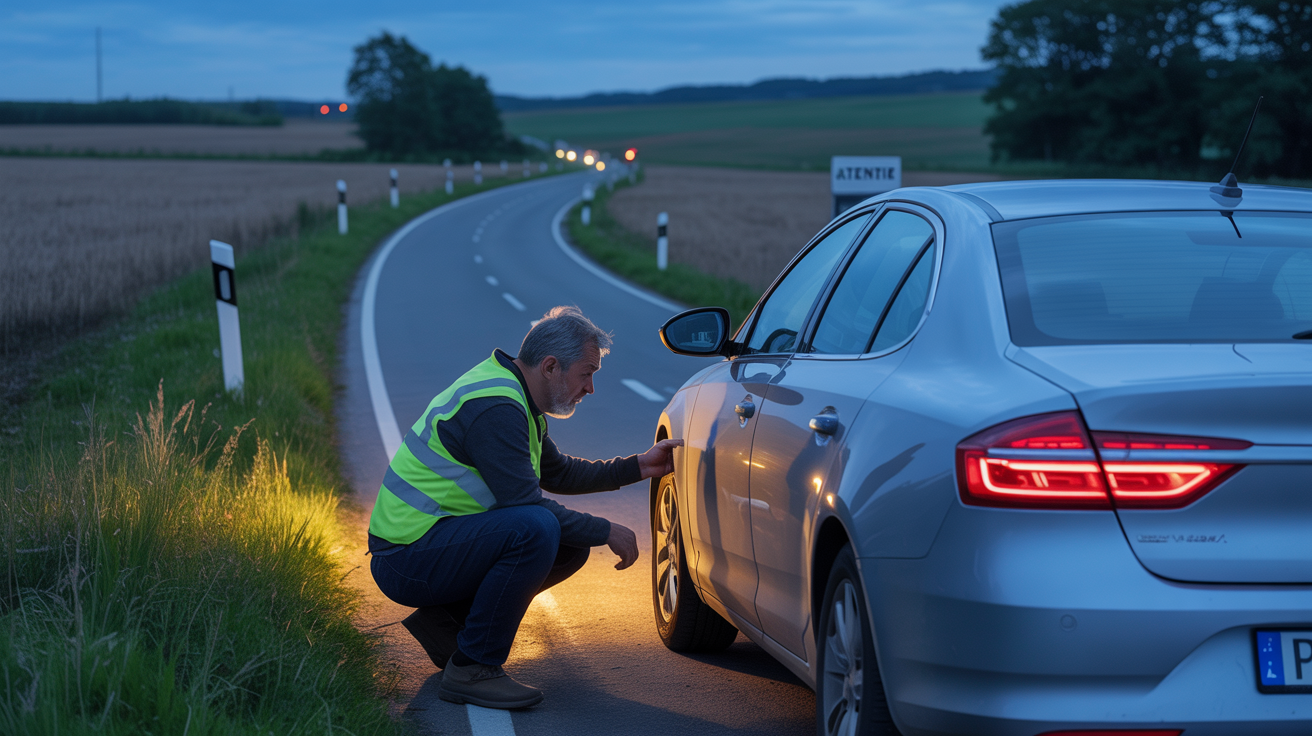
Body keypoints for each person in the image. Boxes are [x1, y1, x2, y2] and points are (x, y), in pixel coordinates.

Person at [367, 305, 681, 709]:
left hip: (430, 545)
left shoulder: (515, 395)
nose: (590, 389)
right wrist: (606, 530)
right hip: (405, 558)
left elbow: (558, 473)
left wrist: (639, 465)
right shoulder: (496, 408)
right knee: (536, 528)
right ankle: (473, 667)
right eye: (586, 374)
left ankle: (446, 630)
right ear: (551, 366)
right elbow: (526, 504)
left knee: (565, 542)